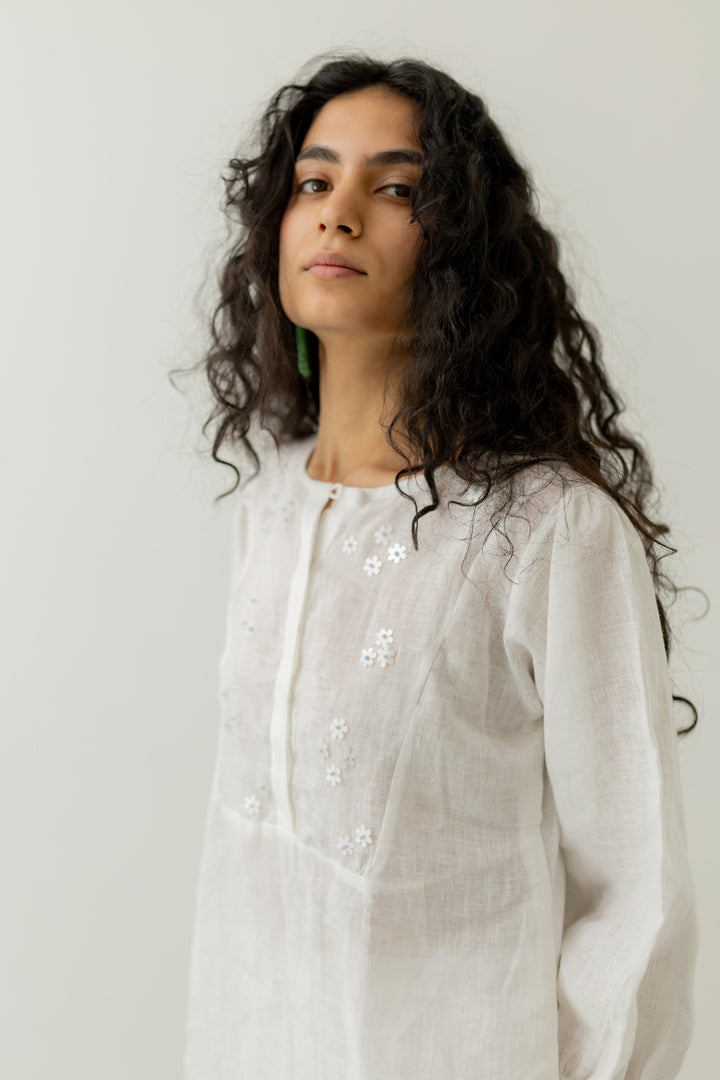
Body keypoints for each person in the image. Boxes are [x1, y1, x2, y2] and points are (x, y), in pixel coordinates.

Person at [182, 53, 698, 1080]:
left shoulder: (546, 529)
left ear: (460, 244)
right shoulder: (270, 506)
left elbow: (636, 894)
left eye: (396, 190)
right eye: (314, 182)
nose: (338, 215)